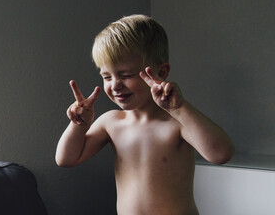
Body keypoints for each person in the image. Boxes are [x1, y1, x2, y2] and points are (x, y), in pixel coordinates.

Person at [55, 14, 234, 215]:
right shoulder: (111, 122)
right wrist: (79, 126)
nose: (115, 85)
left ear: (161, 72)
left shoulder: (177, 123)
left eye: (126, 75)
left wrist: (180, 109)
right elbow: (66, 159)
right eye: (107, 76)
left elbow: (221, 154)